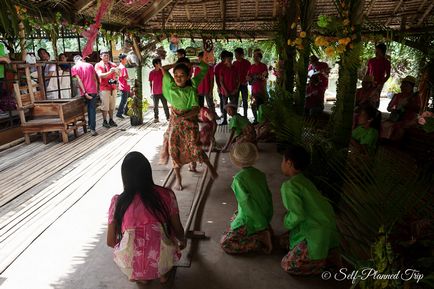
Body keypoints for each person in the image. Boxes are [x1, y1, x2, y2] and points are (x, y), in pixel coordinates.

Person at [107, 152, 186, 285]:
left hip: (132, 266)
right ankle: (163, 273)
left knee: (129, 241)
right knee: (166, 232)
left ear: (125, 177)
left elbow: (110, 241)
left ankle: (139, 274)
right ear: (147, 172)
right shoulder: (167, 195)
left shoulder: (118, 201)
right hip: (162, 261)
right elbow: (178, 229)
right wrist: (182, 240)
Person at [280, 145, 340, 275]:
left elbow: (298, 215)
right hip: (326, 227)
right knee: (283, 241)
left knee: (288, 264)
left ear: (289, 163)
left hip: (315, 231)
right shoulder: (305, 180)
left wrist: (285, 221)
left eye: (282, 161)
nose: (282, 164)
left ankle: (321, 263)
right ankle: (329, 253)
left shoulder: (289, 186)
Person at [160, 61, 218, 190]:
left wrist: (192, 62)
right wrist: (176, 63)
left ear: (188, 76)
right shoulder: (171, 85)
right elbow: (163, 68)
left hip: (189, 123)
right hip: (175, 123)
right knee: (174, 150)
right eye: (176, 75)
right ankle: (179, 179)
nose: (178, 78)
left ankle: (210, 168)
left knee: (195, 148)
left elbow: (196, 109)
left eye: (182, 75)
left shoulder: (191, 88)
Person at [221, 142, 273, 254]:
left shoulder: (238, 180)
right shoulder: (260, 174)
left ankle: (260, 238)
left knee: (226, 243)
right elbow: (268, 196)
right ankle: (264, 230)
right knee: (235, 215)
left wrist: (260, 225)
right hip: (265, 213)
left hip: (254, 218)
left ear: (237, 161)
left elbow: (247, 204)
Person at [381, 76, 420, 141]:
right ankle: (385, 140)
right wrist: (395, 109)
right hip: (396, 117)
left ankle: (394, 142)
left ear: (411, 87)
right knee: (385, 125)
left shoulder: (415, 97)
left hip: (410, 118)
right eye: (403, 85)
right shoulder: (397, 96)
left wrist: (409, 105)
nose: (403, 87)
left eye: (406, 85)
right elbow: (389, 108)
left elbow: (417, 110)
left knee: (400, 127)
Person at [71, 55, 98, 136]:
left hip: (83, 92)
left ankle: (87, 126)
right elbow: (94, 79)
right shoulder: (90, 65)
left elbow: (79, 80)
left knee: (82, 110)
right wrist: (96, 89)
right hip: (92, 90)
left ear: (75, 61)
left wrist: (85, 92)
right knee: (92, 109)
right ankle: (92, 128)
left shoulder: (74, 67)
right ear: (82, 59)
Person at [188, 106, 218, 172]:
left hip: (207, 129)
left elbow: (215, 124)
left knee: (196, 145)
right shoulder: (191, 111)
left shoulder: (206, 112)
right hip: (199, 129)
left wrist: (212, 135)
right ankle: (193, 163)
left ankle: (194, 163)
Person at [95, 49, 118, 128]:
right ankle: (104, 120)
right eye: (104, 55)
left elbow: (119, 74)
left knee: (112, 105)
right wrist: (110, 72)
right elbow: (100, 75)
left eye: (108, 55)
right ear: (101, 56)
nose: (106, 57)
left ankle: (111, 119)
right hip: (104, 88)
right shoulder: (98, 65)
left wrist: (118, 71)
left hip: (113, 87)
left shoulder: (113, 64)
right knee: (105, 106)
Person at [366, 43, 391, 108]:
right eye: (376, 50)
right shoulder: (371, 60)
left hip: (379, 83)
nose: (376, 52)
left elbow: (388, 75)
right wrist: (365, 80)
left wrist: (381, 84)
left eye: (378, 51)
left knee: (375, 98)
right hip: (369, 82)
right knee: (367, 97)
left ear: (382, 51)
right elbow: (368, 72)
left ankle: (375, 112)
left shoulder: (386, 62)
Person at [247, 51, 268, 123]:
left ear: (260, 58)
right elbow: (248, 77)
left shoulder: (263, 66)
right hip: (254, 90)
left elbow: (265, 76)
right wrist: (249, 78)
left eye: (256, 56)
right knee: (253, 105)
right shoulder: (251, 66)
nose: (254, 58)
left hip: (262, 89)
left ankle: (261, 120)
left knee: (261, 106)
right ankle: (255, 119)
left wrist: (260, 76)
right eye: (254, 56)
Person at [219, 51, 239, 125]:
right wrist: (225, 90)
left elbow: (238, 80)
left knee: (234, 106)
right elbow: (221, 81)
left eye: (230, 58)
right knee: (225, 106)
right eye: (228, 58)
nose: (229, 60)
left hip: (233, 90)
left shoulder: (235, 68)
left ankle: (235, 120)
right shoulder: (222, 68)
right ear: (225, 59)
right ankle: (225, 120)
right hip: (225, 91)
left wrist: (236, 89)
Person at [149, 58, 170, 123]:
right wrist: (151, 92)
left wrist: (161, 68)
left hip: (163, 92)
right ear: (155, 64)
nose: (160, 64)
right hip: (155, 92)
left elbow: (165, 76)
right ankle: (156, 118)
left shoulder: (162, 71)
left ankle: (168, 117)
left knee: (165, 105)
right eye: (159, 63)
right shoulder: (151, 73)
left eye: (160, 63)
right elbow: (150, 83)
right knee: (155, 106)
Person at [233, 48, 251, 117]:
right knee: (235, 100)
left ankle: (245, 115)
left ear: (241, 55)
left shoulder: (247, 63)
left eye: (237, 54)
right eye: (235, 54)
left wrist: (246, 81)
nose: (235, 56)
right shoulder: (234, 63)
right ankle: (235, 116)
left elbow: (249, 73)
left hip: (244, 84)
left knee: (245, 100)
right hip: (236, 85)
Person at [214, 50, 229, 123]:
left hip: (230, 88)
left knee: (229, 103)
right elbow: (217, 78)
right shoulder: (218, 66)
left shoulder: (229, 65)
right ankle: (224, 116)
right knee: (223, 102)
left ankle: (231, 117)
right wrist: (219, 87)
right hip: (222, 88)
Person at [116, 53, 130, 119]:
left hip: (122, 86)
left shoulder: (120, 66)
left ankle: (125, 112)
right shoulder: (123, 67)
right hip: (124, 86)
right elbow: (125, 77)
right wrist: (130, 80)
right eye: (125, 59)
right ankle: (119, 113)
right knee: (124, 100)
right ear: (122, 60)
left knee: (125, 99)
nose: (126, 60)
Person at [0, 42, 11, 115]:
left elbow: (8, 59)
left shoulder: (1, 45)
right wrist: (3, 58)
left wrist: (4, 58)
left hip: (1, 74)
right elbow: (5, 59)